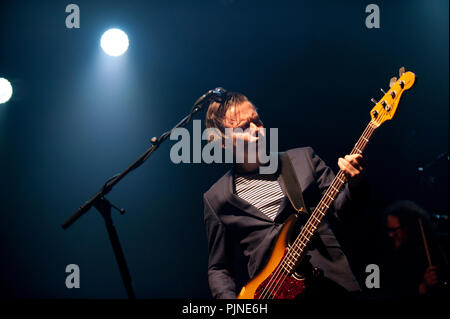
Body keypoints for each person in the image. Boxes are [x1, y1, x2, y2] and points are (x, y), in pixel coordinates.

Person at [202, 91, 369, 299]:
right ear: (222, 142)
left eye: (257, 121)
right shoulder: (217, 198)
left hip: (332, 286)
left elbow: (344, 212)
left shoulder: (303, 159)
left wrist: (355, 183)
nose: (257, 131)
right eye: (244, 127)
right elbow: (219, 268)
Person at [380, 200, 448, 298]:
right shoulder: (391, 255)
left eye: (394, 230)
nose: (390, 235)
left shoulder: (432, 249)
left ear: (408, 228)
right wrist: (422, 287)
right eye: (389, 230)